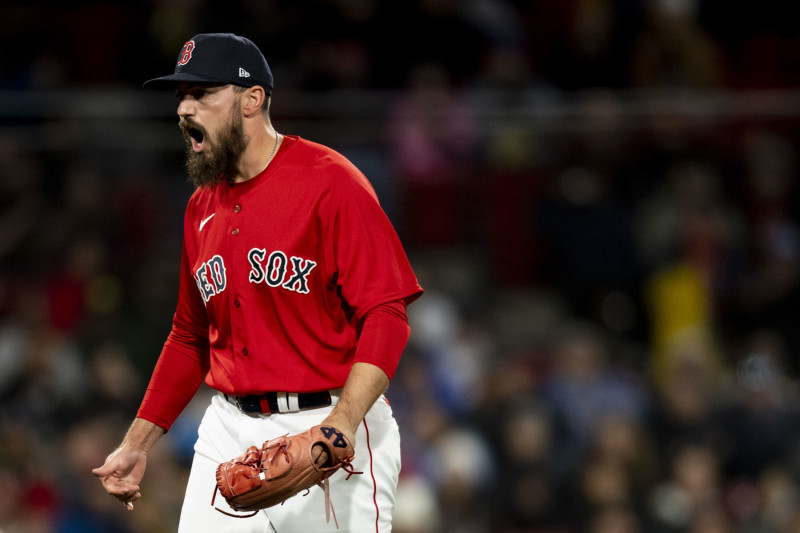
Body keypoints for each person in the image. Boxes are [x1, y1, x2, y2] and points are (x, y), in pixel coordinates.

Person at [92, 33, 423, 532]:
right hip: (228, 427)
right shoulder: (201, 207)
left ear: (252, 99)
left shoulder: (330, 181)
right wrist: (136, 444)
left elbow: (387, 315)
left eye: (201, 93)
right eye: (180, 95)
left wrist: (343, 423)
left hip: (331, 421)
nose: (184, 108)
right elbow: (188, 337)